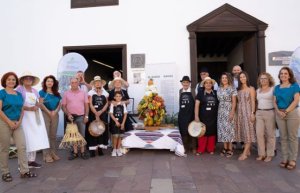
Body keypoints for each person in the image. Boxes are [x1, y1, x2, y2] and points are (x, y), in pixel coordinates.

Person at [0, 72, 37, 182]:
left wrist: (20, 121)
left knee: (22, 147)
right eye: (9, 79)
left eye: (13, 80)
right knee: (4, 148)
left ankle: (24, 171)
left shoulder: (19, 94)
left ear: (16, 82)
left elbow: (21, 109)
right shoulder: (2, 93)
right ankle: (5, 172)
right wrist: (9, 122)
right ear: (5, 81)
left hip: (17, 123)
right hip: (4, 122)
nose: (11, 81)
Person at [16, 72, 49, 168]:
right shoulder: (19, 89)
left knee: (34, 137)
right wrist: (29, 108)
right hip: (25, 117)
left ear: (32, 80)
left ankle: (31, 160)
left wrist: (39, 103)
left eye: (30, 78)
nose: (28, 79)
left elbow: (38, 102)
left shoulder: (35, 90)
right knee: (25, 138)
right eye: (26, 78)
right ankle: (22, 163)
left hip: (35, 117)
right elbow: (18, 104)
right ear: (22, 80)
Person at [274, 67, 300, 170]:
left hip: (292, 113)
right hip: (279, 113)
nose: (283, 75)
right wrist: (278, 111)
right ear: (279, 76)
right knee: (283, 137)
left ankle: (292, 159)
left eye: (285, 73)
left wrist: (286, 111)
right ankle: (285, 158)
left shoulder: (295, 86)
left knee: (292, 137)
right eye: (281, 74)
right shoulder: (277, 87)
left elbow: (296, 100)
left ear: (289, 75)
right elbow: (274, 102)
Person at [62, 77, 89, 160]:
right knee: (73, 135)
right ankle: (75, 153)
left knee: (82, 135)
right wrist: (68, 114)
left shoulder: (83, 93)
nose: (74, 84)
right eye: (72, 82)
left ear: (78, 83)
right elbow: (63, 106)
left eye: (75, 82)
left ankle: (83, 152)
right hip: (71, 118)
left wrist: (86, 116)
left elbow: (86, 105)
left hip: (81, 116)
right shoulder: (66, 93)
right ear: (70, 84)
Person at [39, 75, 62, 163]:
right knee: (46, 135)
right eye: (48, 81)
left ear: (53, 83)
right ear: (45, 83)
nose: (49, 83)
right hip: (45, 114)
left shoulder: (57, 93)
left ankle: (53, 153)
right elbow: (41, 104)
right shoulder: (41, 92)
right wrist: (49, 112)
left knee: (53, 135)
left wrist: (55, 111)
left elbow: (59, 105)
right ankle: (46, 155)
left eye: (51, 81)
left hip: (55, 114)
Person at [194, 77, 218, 155]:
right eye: (206, 83)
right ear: (204, 84)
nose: (208, 84)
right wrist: (196, 116)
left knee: (212, 132)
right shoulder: (200, 93)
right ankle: (201, 149)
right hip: (203, 117)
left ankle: (210, 149)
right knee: (202, 132)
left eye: (210, 83)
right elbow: (197, 105)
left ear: (212, 84)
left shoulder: (216, 92)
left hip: (213, 117)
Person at [86, 76, 109, 157]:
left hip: (102, 114)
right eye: (96, 82)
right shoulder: (90, 93)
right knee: (93, 130)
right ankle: (92, 149)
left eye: (99, 82)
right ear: (94, 84)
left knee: (101, 130)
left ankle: (100, 148)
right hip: (93, 114)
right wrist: (96, 113)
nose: (98, 83)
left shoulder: (105, 93)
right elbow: (90, 104)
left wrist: (101, 111)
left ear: (101, 83)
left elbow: (106, 103)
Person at [255, 72, 276, 162]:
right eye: (261, 78)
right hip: (259, 113)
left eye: (265, 78)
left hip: (270, 112)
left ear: (269, 80)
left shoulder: (273, 89)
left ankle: (270, 154)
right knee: (259, 134)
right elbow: (256, 102)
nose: (263, 80)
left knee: (270, 135)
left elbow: (276, 102)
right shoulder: (257, 90)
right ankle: (262, 154)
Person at [235, 71, 256, 161]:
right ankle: (247, 150)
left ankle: (245, 153)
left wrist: (252, 113)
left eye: (244, 77)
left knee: (248, 133)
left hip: (248, 113)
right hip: (240, 113)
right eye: (241, 77)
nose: (242, 78)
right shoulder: (238, 90)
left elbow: (253, 101)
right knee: (244, 132)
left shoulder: (251, 88)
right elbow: (236, 102)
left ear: (247, 78)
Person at [217, 72, 237, 158]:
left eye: (225, 78)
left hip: (229, 109)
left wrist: (232, 112)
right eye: (222, 78)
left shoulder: (232, 88)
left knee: (230, 129)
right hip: (221, 110)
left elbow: (234, 101)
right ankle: (225, 147)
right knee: (222, 129)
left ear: (228, 79)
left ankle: (230, 149)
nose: (224, 79)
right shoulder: (219, 88)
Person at [178, 76, 196, 154]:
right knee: (184, 131)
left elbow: (196, 103)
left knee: (192, 131)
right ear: (182, 83)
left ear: (189, 83)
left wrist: (196, 115)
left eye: (187, 82)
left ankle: (194, 147)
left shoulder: (193, 91)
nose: (185, 84)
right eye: (184, 82)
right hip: (182, 115)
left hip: (191, 114)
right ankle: (185, 147)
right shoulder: (180, 91)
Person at [109, 91, 128, 157]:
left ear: (121, 97)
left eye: (119, 96)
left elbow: (125, 114)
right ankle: (114, 149)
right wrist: (116, 121)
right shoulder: (112, 104)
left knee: (120, 136)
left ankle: (118, 149)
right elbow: (111, 114)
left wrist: (123, 123)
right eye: (116, 96)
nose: (118, 97)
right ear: (114, 97)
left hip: (121, 121)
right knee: (115, 136)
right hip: (115, 122)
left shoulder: (123, 104)